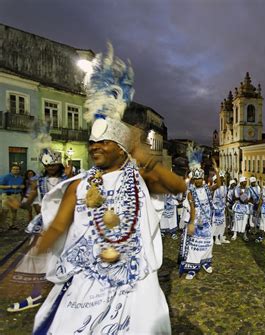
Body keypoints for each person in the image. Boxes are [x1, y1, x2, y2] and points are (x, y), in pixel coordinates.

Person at [32, 45, 185, 334]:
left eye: (104, 143)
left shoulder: (141, 177)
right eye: (92, 144)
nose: (95, 148)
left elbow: (177, 186)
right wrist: (35, 255)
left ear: (120, 148)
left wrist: (143, 156)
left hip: (133, 284)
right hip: (86, 285)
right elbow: (58, 227)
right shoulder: (78, 184)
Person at [6, 150, 72, 313]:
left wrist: (70, 177)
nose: (50, 167)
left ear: (59, 164)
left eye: (53, 164)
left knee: (65, 259)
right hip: (45, 226)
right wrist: (19, 204)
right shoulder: (37, 181)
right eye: (47, 165)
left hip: (67, 224)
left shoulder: (70, 180)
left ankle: (66, 295)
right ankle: (36, 295)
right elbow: (28, 202)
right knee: (39, 260)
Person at [178, 146, 220, 279]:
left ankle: (206, 262)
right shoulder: (191, 192)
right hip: (197, 221)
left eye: (200, 179)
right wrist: (191, 222)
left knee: (208, 243)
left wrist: (217, 170)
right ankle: (192, 267)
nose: (198, 181)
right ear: (193, 180)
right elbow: (193, 208)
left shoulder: (208, 189)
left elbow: (218, 184)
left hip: (207, 222)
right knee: (195, 245)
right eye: (196, 179)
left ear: (203, 178)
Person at [0, 164, 24, 231]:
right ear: (11, 170)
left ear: (19, 170)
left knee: (14, 211)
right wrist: (10, 186)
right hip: (7, 195)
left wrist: (22, 187)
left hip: (17, 195)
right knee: (5, 211)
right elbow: (1, 186)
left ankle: (12, 225)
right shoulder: (5, 177)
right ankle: (1, 226)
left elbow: (22, 185)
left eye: (17, 169)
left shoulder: (20, 177)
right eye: (14, 169)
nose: (15, 170)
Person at [212, 172, 230, 245]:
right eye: (220, 178)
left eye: (222, 178)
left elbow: (225, 198)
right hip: (216, 209)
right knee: (216, 223)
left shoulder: (225, 187)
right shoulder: (214, 188)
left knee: (222, 223)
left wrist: (225, 206)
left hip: (222, 208)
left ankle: (221, 237)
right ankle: (216, 238)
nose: (222, 179)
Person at [232, 177, 250, 241]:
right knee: (236, 221)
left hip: (245, 208)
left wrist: (241, 196)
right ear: (241, 182)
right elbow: (235, 197)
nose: (245, 183)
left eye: (246, 181)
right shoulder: (236, 189)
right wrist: (243, 197)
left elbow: (247, 200)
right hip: (238, 208)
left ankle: (245, 235)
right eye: (244, 181)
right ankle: (235, 234)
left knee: (245, 222)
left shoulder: (248, 189)